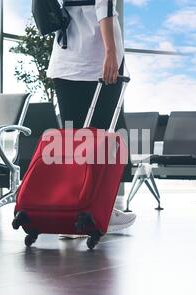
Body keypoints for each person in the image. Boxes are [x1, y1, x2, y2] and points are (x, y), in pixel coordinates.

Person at [47, 0, 136, 233]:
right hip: (96, 59)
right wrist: (111, 52)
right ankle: (99, 210)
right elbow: (103, 7)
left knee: (73, 141)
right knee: (105, 139)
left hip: (65, 59)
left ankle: (70, 210)